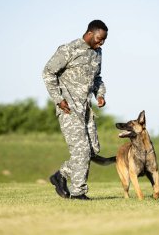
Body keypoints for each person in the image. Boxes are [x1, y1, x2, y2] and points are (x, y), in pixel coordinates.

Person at [43, 20, 108, 200]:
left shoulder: (97, 53)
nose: (101, 43)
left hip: (86, 109)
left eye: (103, 40)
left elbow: (97, 78)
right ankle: (78, 192)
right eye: (99, 39)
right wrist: (58, 99)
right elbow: (48, 72)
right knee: (81, 151)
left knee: (93, 149)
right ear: (89, 33)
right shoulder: (68, 50)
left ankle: (60, 175)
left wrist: (100, 94)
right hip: (68, 109)